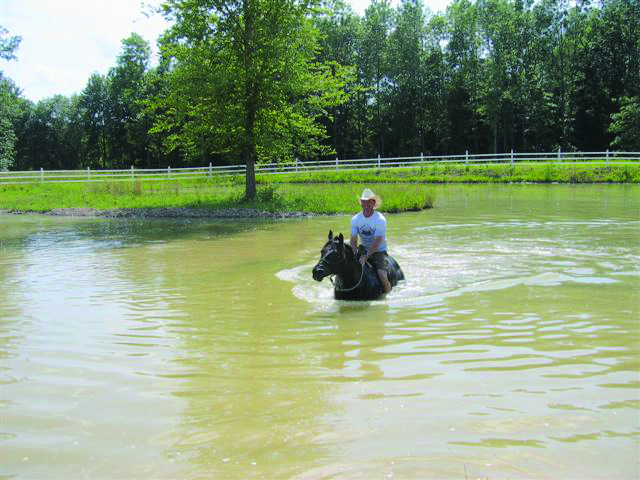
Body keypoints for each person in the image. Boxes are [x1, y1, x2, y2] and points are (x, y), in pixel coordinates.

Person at [350, 188, 392, 294]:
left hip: (379, 251)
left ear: (374, 203)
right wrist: (354, 254)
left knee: (382, 275)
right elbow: (353, 240)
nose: (366, 204)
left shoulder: (380, 219)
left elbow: (377, 242)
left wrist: (366, 257)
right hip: (363, 249)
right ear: (361, 203)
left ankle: (387, 295)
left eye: (369, 201)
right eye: (364, 201)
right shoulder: (355, 219)